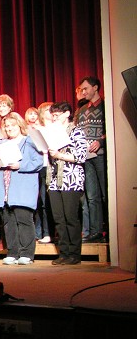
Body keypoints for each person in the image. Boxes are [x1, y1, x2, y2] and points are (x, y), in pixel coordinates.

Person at [0, 113, 43, 265]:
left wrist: (20, 165)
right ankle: (12, 252)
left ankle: (27, 253)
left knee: (24, 219)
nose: (9, 128)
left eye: (12, 125)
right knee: (8, 221)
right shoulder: (1, 143)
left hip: (22, 187)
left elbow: (38, 162)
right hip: (5, 188)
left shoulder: (29, 141)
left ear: (20, 125)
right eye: (7, 126)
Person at [47, 101, 88, 265]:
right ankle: (63, 253)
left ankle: (74, 254)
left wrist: (60, 155)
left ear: (67, 114)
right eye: (53, 115)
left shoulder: (76, 131)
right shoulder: (51, 132)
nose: (54, 118)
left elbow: (82, 156)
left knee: (71, 217)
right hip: (54, 179)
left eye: (57, 115)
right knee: (59, 218)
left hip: (71, 179)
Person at [76, 76, 107, 243]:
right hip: (86, 158)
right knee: (92, 196)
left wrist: (100, 140)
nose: (83, 92)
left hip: (101, 155)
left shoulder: (105, 106)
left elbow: (112, 129)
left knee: (105, 194)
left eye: (86, 88)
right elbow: (78, 132)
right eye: (82, 89)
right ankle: (96, 231)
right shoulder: (82, 110)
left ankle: (109, 229)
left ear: (95, 88)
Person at [35, 101, 55, 243]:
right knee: (41, 201)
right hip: (41, 166)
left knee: (49, 201)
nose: (51, 112)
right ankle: (42, 232)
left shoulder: (57, 128)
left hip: (52, 166)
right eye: (48, 109)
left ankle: (50, 232)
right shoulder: (39, 130)